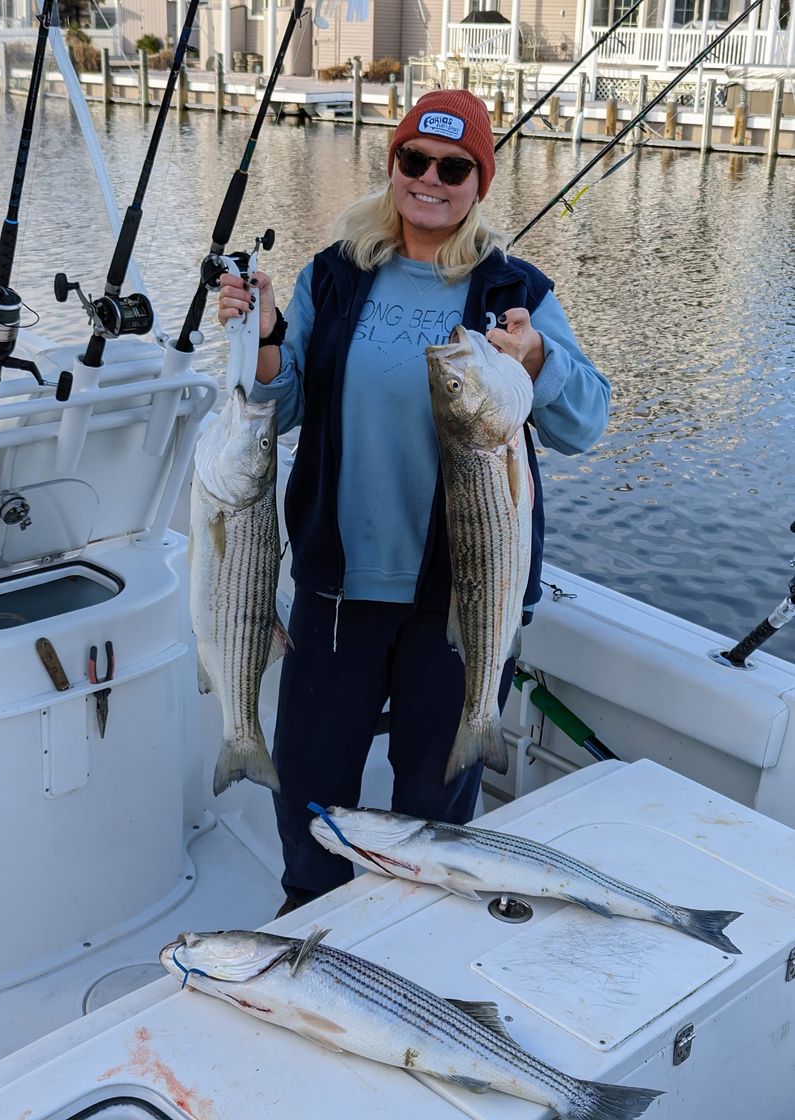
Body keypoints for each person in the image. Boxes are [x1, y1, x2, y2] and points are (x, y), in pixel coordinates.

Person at [217, 89, 610, 915]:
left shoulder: (516, 290)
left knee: (432, 803)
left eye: (454, 166)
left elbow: (585, 423)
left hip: (464, 596)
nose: (430, 179)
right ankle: (308, 911)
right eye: (414, 160)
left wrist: (538, 361)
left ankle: (413, 925)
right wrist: (259, 338)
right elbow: (283, 406)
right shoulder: (335, 274)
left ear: (479, 182)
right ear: (392, 165)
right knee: (312, 786)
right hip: (337, 586)